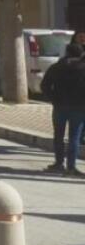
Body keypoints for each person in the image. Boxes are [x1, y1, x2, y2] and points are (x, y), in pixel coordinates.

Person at [41, 43, 85, 176]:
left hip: (59, 106)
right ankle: (71, 167)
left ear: (66, 52)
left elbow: (45, 85)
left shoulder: (57, 66)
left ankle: (58, 163)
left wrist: (53, 99)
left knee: (58, 136)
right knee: (74, 137)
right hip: (79, 107)